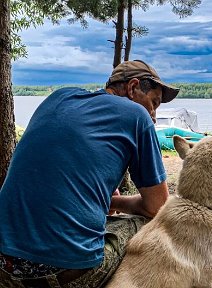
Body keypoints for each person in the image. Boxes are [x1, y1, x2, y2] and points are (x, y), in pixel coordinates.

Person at [0, 60, 179, 288]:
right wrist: (114, 202)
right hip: (63, 272)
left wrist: (100, 197)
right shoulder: (137, 116)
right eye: (153, 103)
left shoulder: (59, 97)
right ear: (133, 88)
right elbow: (157, 206)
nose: (153, 115)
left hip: (4, 264)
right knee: (144, 223)